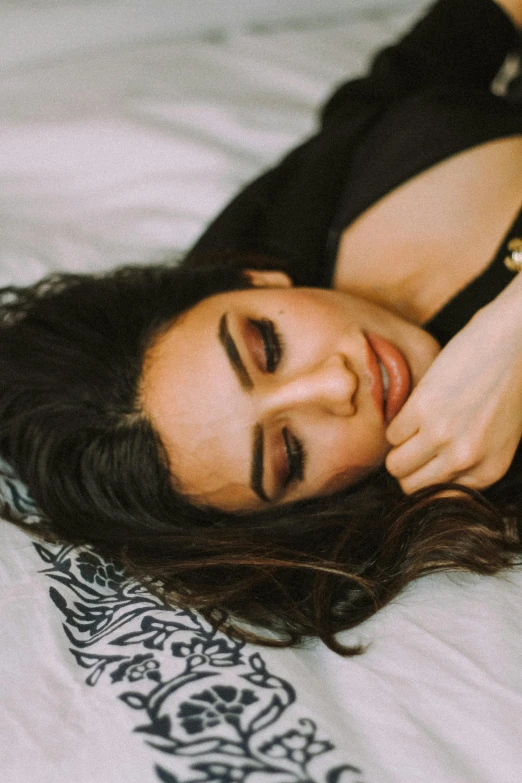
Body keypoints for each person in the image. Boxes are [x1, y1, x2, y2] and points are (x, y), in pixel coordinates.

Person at [1, 0, 522, 654]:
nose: (335, 385)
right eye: (290, 453)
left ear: (254, 279)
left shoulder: (316, 193)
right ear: (309, 506)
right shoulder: (489, 467)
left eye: (267, 346)